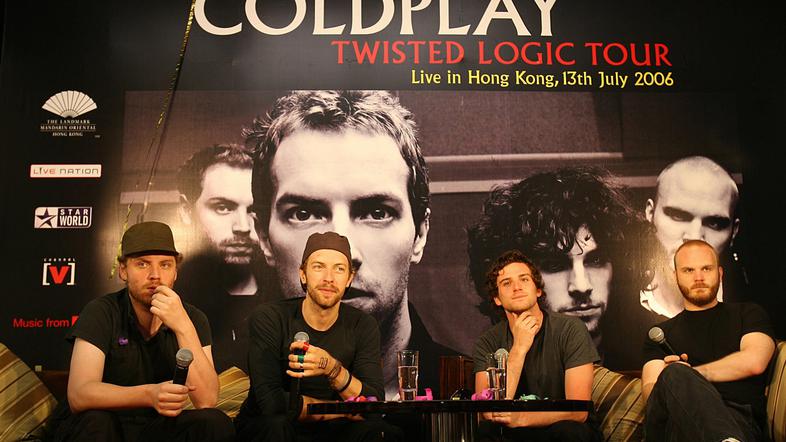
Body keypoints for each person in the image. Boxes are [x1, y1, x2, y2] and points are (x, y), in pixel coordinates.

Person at [245, 90, 454, 398]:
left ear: (420, 233)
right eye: (304, 214)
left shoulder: (476, 393)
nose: (344, 256)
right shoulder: (226, 394)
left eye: (377, 213)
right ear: (263, 236)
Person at [54, 221, 235, 442]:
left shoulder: (193, 318)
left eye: (165, 265)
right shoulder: (101, 311)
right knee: (97, 421)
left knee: (214, 422)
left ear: (175, 272)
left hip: (156, 428)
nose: (155, 275)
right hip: (106, 425)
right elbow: (79, 395)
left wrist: (183, 326)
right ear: (123, 270)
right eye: (142, 264)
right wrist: (150, 394)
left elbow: (206, 400)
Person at [467, 168, 654, 368]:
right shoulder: (495, 360)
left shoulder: (654, 351)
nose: (581, 286)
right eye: (555, 265)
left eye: (596, 260)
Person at [234, 231, 401, 441]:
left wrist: (332, 369)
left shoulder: (362, 324)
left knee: (381, 432)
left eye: (339, 269)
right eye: (318, 267)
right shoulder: (270, 318)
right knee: (276, 426)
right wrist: (343, 410)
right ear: (303, 274)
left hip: (334, 429)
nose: (328, 278)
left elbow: (373, 404)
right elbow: (272, 403)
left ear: (349, 279)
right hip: (275, 426)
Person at [641, 239, 774, 441]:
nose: (699, 277)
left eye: (706, 268)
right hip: (675, 425)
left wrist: (687, 376)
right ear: (675, 276)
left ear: (720, 273)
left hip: (737, 421)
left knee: (676, 372)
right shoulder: (659, 334)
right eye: (688, 270)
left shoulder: (748, 313)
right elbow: (651, 396)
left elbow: (755, 361)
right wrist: (672, 380)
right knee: (673, 373)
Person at [473, 250, 601, 442]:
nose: (517, 287)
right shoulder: (487, 342)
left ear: (538, 290)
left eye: (524, 279)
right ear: (497, 298)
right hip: (513, 433)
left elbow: (578, 411)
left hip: (560, 428)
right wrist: (519, 349)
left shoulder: (570, 329)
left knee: (570, 432)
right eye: (506, 283)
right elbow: (490, 411)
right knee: (487, 430)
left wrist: (522, 419)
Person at [176, 144, 269, 372]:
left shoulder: (289, 297)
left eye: (253, 210)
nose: (243, 226)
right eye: (223, 208)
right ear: (186, 211)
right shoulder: (174, 301)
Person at [643, 155, 744, 318]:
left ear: (734, 231)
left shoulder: (750, 309)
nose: (695, 237)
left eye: (714, 223)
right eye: (678, 216)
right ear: (650, 213)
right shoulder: (615, 306)